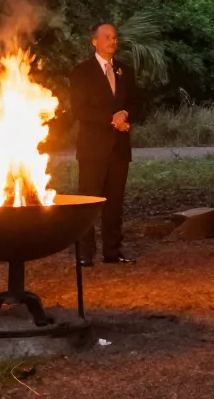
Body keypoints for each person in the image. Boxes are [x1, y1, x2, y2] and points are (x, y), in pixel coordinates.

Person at [69, 21, 136, 266]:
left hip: (119, 148)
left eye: (115, 37)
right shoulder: (82, 72)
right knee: (88, 201)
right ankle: (85, 254)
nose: (112, 41)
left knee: (115, 202)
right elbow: (80, 109)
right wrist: (111, 119)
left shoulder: (125, 71)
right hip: (93, 148)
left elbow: (137, 102)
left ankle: (113, 251)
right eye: (107, 37)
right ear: (94, 41)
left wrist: (125, 114)